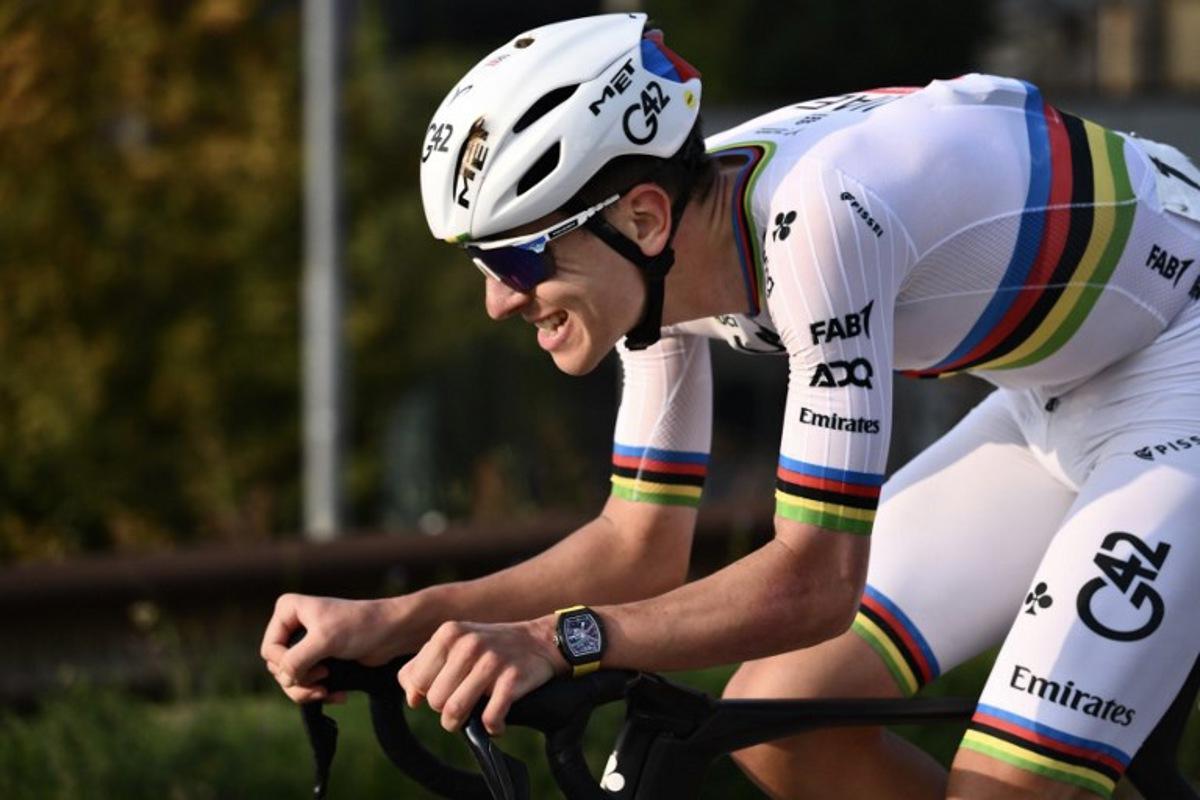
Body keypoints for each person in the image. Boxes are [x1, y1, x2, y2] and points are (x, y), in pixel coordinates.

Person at [261, 13, 1200, 799]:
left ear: (642, 218)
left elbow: (817, 580)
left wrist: (563, 640)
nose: (498, 302)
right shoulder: (660, 260)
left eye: (518, 259)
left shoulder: (820, 221)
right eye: (484, 263)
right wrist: (407, 618)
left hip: (1180, 378)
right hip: (1050, 395)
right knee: (776, 722)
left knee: (1004, 789)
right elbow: (640, 547)